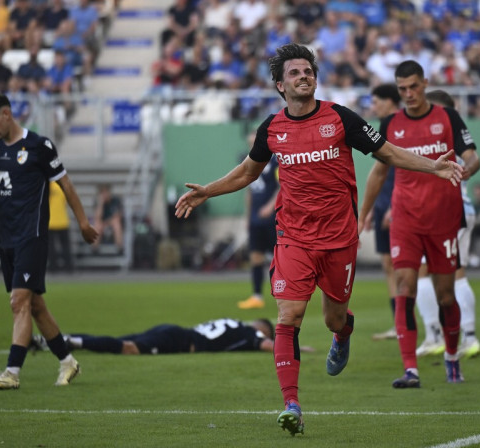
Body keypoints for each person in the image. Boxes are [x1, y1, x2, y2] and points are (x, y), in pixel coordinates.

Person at [174, 43, 462, 436]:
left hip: (339, 239)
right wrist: (207, 190)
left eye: (307, 70)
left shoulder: (340, 118)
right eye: (294, 73)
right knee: (288, 316)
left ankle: (343, 334)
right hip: (293, 237)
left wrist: (434, 167)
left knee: (334, 317)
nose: (303, 76)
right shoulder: (271, 129)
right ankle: (291, 404)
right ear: (280, 85)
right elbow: (246, 173)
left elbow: (388, 153)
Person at [359, 61, 480, 389]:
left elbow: (472, 156)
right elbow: (379, 172)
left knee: (445, 296)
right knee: (405, 287)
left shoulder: (447, 118)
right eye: (402, 89)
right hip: (405, 219)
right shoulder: (390, 124)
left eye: (414, 86)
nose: (409, 94)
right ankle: (410, 369)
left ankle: (452, 357)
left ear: (425, 83)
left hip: (444, 219)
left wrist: (466, 169)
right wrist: (364, 212)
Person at [0, 92, 98, 390]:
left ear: (7, 114)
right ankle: (67, 362)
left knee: (18, 302)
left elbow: (66, 184)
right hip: (6, 239)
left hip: (32, 235)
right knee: (35, 305)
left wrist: (84, 222)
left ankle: (12, 373)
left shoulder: (39, 146)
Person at [411, 89, 480, 360]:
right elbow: (473, 160)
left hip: (446, 213)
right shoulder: (457, 136)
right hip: (463, 209)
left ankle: (435, 336)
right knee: (456, 274)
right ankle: (469, 336)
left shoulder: (442, 133)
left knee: (424, 272)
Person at [365, 83, 401, 341]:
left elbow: (402, 169)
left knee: (407, 268)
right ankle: (399, 324)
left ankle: (427, 325)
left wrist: (393, 206)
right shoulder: (384, 127)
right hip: (382, 207)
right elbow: (380, 174)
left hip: (398, 207)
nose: (373, 106)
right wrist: (370, 209)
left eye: (376, 101)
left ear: (390, 101)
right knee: (389, 266)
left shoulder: (399, 126)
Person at [59, 318, 307, 355]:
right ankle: (73, 342)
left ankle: (57, 340)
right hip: (180, 341)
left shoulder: (234, 323)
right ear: (262, 327)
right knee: (128, 348)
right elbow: (268, 345)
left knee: (116, 339)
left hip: (174, 329)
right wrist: (298, 349)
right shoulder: (250, 332)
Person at [238, 133, 280, 310]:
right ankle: (257, 296)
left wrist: (270, 207)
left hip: (272, 217)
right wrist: (247, 217)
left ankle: (283, 294)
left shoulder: (275, 162)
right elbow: (248, 191)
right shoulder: (248, 163)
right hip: (256, 219)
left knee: (277, 258)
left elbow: (282, 185)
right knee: (255, 256)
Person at [47, 180, 72, 272]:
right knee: (65, 246)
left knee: (51, 247)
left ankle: (53, 268)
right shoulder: (61, 185)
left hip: (50, 222)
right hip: (62, 221)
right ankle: (68, 267)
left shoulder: (46, 185)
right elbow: (66, 201)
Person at [93, 184, 123, 252]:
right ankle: (95, 248)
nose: (104, 195)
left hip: (112, 223)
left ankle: (119, 247)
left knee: (116, 223)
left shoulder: (116, 201)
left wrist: (107, 222)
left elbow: (118, 216)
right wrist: (101, 204)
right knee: (97, 224)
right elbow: (97, 217)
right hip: (102, 224)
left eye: (106, 192)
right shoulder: (98, 202)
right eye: (102, 193)